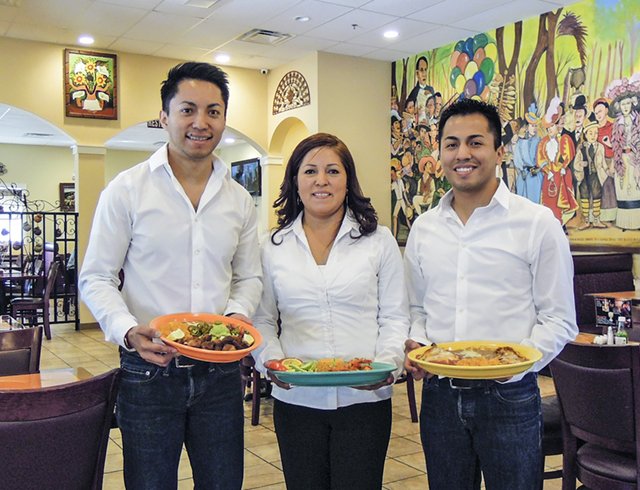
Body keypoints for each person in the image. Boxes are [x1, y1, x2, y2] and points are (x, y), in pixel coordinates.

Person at [78, 62, 262, 490]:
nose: (201, 123)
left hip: (220, 375)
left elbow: (249, 277)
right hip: (148, 370)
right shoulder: (127, 189)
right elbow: (96, 276)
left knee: (222, 483)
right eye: (188, 110)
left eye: (213, 111)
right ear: (164, 117)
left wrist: (233, 320)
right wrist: (127, 331)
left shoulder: (238, 200)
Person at [404, 99, 577, 490]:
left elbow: (560, 320)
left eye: (475, 142)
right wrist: (418, 341)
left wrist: (513, 366)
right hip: (440, 396)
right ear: (440, 153)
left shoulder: (537, 224)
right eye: (451, 144)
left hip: (510, 398)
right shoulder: (424, 228)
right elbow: (416, 307)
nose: (462, 154)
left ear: (499, 151)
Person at [252, 133, 409, 490]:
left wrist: (385, 365)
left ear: (347, 180)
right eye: (310, 171)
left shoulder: (378, 240)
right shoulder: (273, 247)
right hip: (296, 398)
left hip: (364, 398)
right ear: (295, 180)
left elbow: (395, 317)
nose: (321, 180)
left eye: (332, 171)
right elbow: (262, 320)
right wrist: (272, 362)